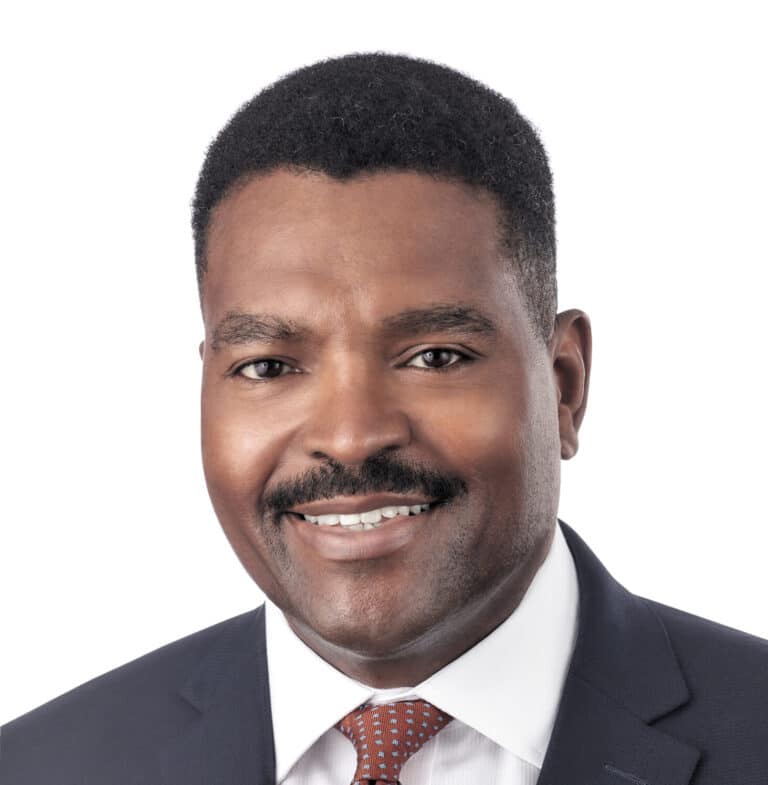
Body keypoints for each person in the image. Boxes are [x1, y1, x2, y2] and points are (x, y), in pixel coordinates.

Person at [2, 52, 766, 785]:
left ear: (565, 384)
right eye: (268, 365)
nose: (350, 434)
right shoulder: (39, 766)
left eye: (434, 356)